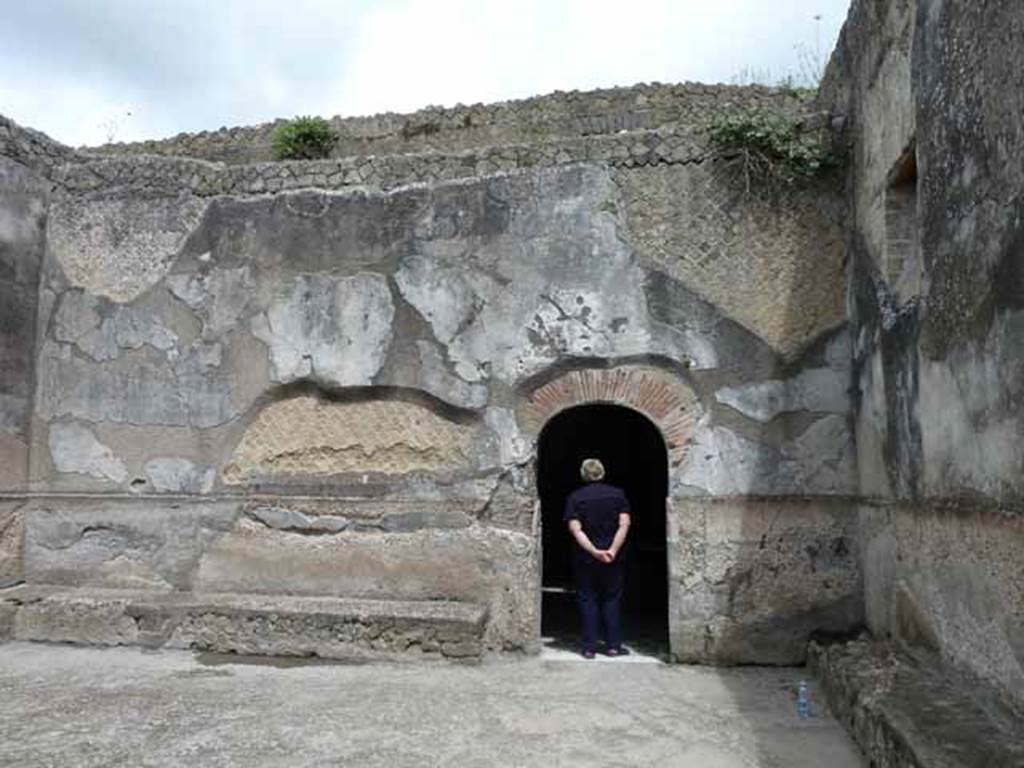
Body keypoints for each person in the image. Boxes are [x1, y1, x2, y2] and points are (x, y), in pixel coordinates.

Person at [563, 458, 631, 658]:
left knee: (588, 599)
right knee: (612, 599)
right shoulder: (618, 495)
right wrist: (612, 550)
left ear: (583, 474)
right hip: (613, 558)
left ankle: (589, 647)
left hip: (586, 558)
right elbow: (624, 524)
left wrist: (593, 551)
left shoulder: (576, 498)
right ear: (602, 472)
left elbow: (576, 530)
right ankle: (613, 645)